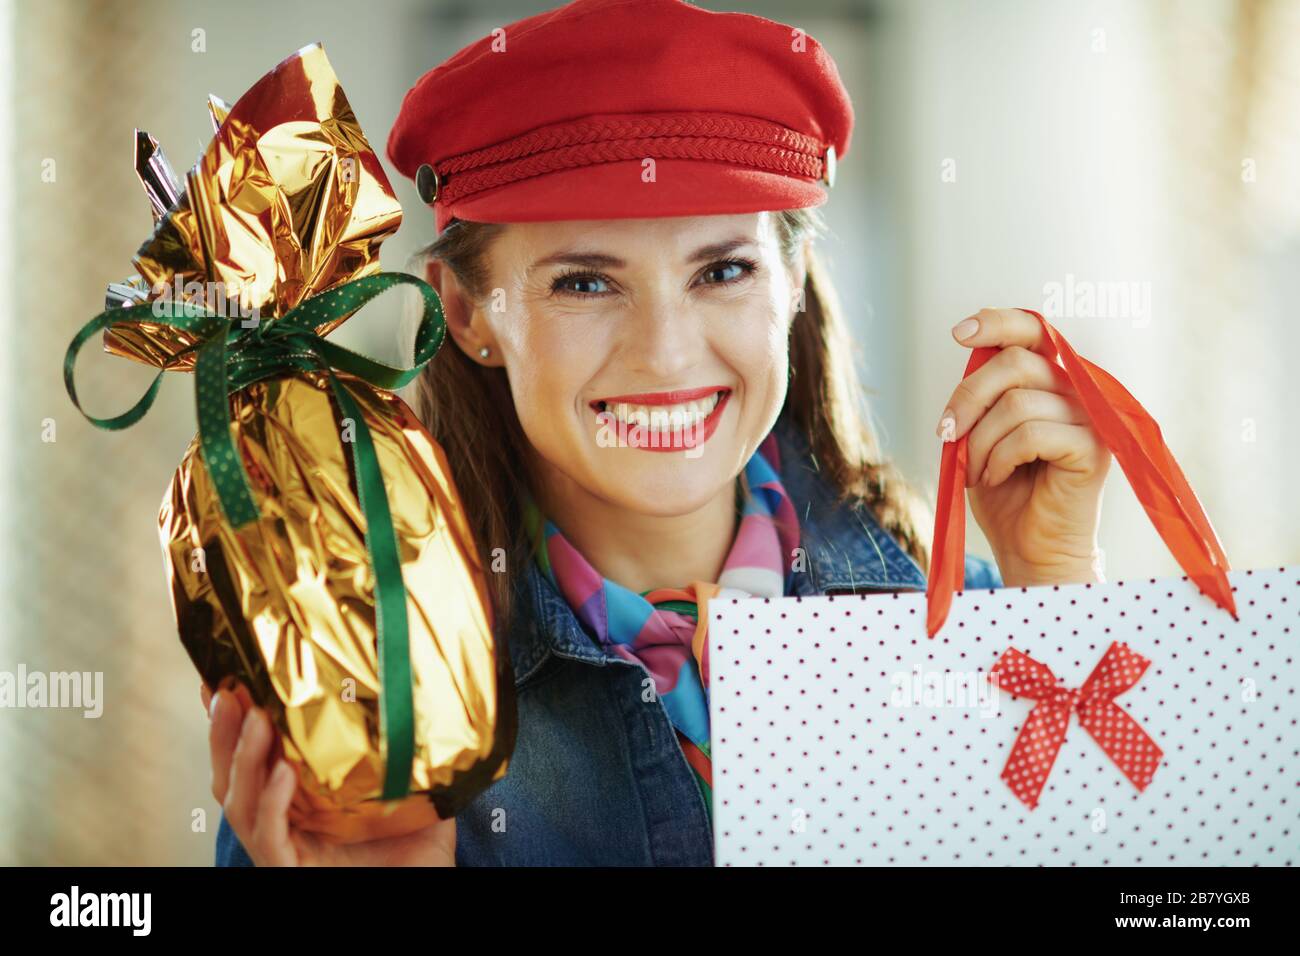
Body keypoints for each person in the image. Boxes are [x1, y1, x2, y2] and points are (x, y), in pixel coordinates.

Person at [207, 0, 1109, 866]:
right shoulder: (361, 692)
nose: (667, 354)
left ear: (793, 280)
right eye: (586, 283)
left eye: (722, 269)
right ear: (469, 313)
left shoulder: (976, 615)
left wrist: (1063, 594)